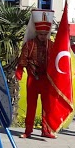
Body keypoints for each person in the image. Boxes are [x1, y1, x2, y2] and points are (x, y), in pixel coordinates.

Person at [15, 10, 55, 138]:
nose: (43, 36)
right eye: (41, 34)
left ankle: (46, 130)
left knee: (47, 106)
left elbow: (58, 62)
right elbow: (23, 60)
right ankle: (28, 130)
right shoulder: (29, 44)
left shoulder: (52, 45)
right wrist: (20, 72)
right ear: (37, 32)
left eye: (45, 34)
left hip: (46, 80)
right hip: (33, 78)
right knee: (31, 105)